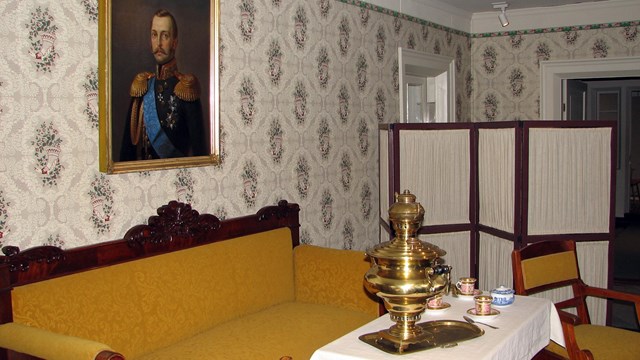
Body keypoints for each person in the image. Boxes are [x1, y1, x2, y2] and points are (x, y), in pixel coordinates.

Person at [120, 9, 207, 161]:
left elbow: (201, 156)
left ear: (175, 42)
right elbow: (126, 155)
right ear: (150, 40)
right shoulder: (142, 86)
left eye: (165, 36)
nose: (159, 43)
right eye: (154, 35)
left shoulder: (186, 88)